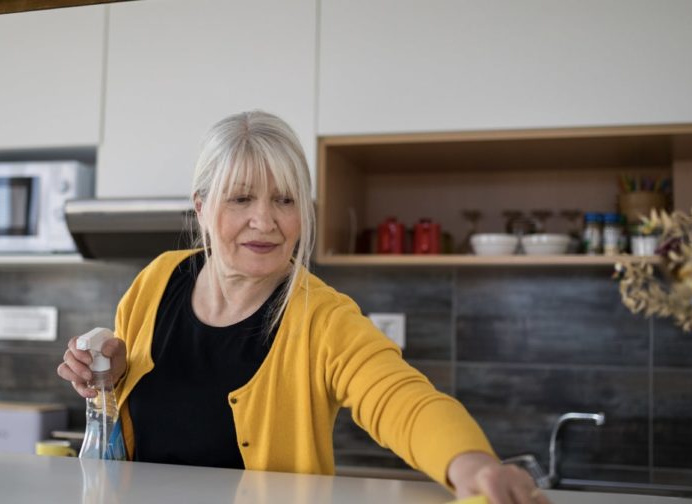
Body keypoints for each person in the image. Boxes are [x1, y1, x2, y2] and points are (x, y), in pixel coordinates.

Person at [58, 110, 549, 503]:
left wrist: (475, 467)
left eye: (286, 200)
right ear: (202, 206)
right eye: (242, 198)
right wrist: (109, 380)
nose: (265, 221)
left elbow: (403, 401)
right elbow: (127, 418)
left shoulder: (324, 318)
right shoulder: (157, 279)